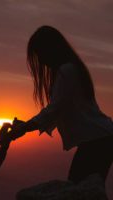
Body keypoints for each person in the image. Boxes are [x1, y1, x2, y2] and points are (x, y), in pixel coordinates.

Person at [11, 26, 113, 185]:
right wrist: (27, 126)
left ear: (51, 49)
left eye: (41, 54)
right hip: (101, 138)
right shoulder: (71, 69)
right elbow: (59, 109)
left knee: (78, 189)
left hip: (97, 140)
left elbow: (55, 109)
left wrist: (26, 127)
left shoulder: (67, 70)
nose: (42, 61)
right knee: (85, 188)